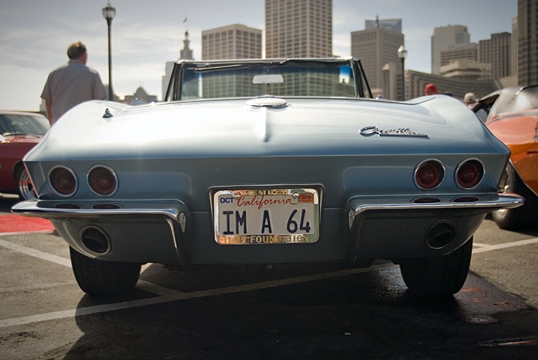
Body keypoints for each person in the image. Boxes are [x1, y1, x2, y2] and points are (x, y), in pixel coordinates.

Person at [41, 41, 107, 125]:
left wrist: (52, 125)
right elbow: (99, 102)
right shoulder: (92, 74)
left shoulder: (54, 74)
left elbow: (48, 103)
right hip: (84, 126)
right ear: (84, 55)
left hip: (59, 126)